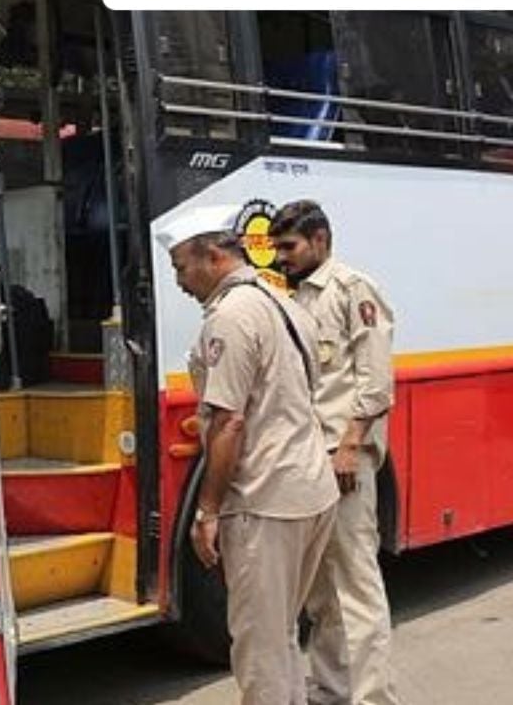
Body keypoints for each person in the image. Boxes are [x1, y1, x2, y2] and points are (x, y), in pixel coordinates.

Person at [160, 204, 338, 705]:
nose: (178, 281)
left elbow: (228, 421)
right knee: (279, 634)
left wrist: (208, 510)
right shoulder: (283, 303)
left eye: (180, 267)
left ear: (213, 255)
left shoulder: (232, 316)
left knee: (259, 648)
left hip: (266, 499)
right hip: (308, 489)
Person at [271, 200, 402, 705]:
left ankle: (372, 697)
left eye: (290, 246)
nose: (282, 257)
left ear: (320, 239)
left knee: (356, 585)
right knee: (322, 588)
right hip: (310, 460)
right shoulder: (296, 297)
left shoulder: (352, 289)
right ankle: (330, 688)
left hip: (343, 457)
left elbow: (375, 381)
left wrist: (351, 445)